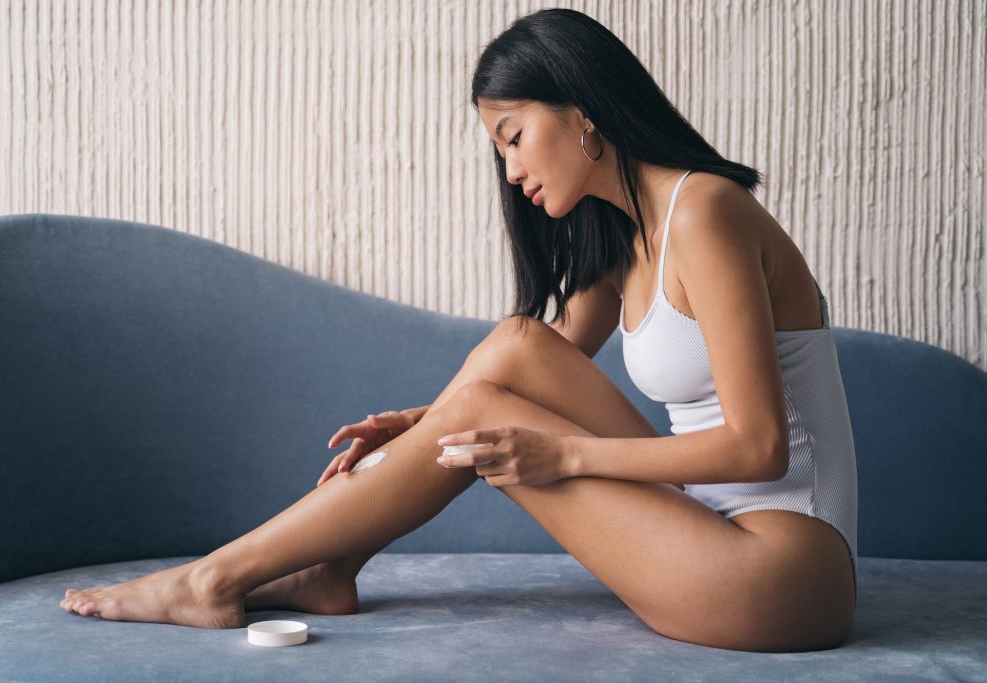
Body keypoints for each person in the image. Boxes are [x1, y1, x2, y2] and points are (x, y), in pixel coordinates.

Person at [59, 8, 858, 653]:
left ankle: (212, 580)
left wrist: (564, 454)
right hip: (708, 531)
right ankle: (330, 563)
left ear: (581, 112)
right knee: (516, 341)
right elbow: (523, 365)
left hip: (786, 575)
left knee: (486, 405)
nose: (509, 171)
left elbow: (760, 448)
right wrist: (419, 424)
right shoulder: (626, 239)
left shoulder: (707, 211)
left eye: (513, 137)